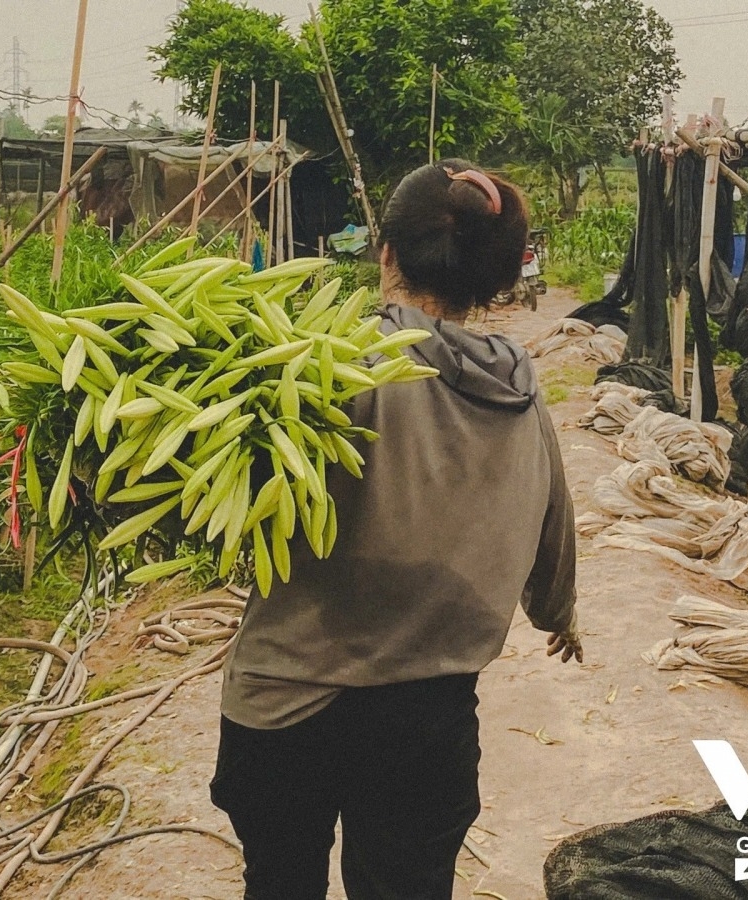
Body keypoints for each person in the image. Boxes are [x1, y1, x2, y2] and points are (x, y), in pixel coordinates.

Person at [210, 159, 580, 900]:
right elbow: (554, 515)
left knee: (279, 884)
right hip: (429, 713)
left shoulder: (323, 361)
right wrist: (555, 610)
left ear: (386, 253)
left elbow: (212, 484)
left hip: (288, 699)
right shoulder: (518, 385)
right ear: (495, 279)